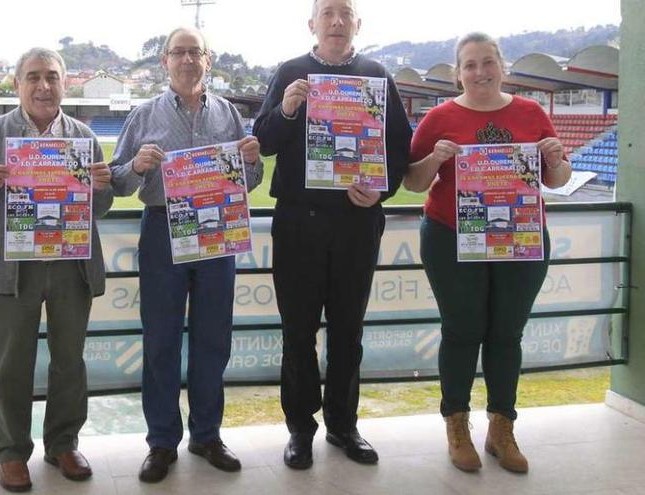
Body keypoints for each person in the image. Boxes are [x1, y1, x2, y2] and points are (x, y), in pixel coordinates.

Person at [253, 0, 412, 470]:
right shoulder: (290, 72)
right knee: (297, 331)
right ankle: (301, 428)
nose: (337, 21)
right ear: (313, 24)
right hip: (298, 221)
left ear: (357, 24)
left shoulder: (377, 75)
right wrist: (285, 109)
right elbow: (262, 142)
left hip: (356, 222)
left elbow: (400, 145)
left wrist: (380, 189)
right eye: (328, 13)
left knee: (348, 328)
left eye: (346, 13)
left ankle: (344, 425)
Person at [403, 32, 571, 474]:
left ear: (503, 65)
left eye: (487, 62)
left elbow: (556, 179)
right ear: (458, 72)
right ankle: (456, 424)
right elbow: (413, 183)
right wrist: (435, 160)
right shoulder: (439, 117)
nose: (480, 72)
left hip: (521, 237)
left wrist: (555, 158)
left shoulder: (532, 112)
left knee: (507, 333)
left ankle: (502, 427)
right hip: (451, 237)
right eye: (470, 64)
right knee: (461, 330)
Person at [110, 27, 264, 483]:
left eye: (194, 52)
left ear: (207, 60)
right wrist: (136, 166)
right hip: (162, 231)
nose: (187, 59)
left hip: (217, 234)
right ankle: (161, 441)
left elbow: (248, 182)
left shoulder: (230, 115)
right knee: (160, 339)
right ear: (165, 62)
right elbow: (118, 182)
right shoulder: (143, 115)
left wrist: (252, 161)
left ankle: (207, 434)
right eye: (178, 52)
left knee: (213, 338)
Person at [0, 47, 113, 492]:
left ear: (65, 82)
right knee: (10, 365)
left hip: (71, 266)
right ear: (17, 84)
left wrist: (101, 188)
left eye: (51, 76)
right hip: (14, 269)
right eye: (33, 77)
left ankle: (63, 443)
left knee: (69, 361)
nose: (43, 86)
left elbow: (98, 207)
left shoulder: (83, 135)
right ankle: (10, 452)